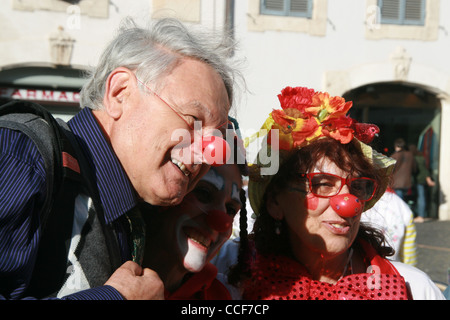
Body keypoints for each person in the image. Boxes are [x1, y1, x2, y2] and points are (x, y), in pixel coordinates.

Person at [0, 17, 243, 300]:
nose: (207, 153)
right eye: (192, 120)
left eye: (215, 138)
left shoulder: (129, 219)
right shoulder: (21, 153)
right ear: (120, 94)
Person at [219, 86, 444, 300]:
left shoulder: (413, 287)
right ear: (275, 201)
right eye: (323, 184)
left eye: (356, 187)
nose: (348, 203)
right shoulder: (229, 271)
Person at [141, 129, 248, 299]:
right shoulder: (103, 277)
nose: (220, 221)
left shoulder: (221, 297)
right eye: (204, 193)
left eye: (230, 210)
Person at [361, 188, 418, 266]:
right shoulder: (403, 208)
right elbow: (409, 254)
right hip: (393, 270)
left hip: (362, 266)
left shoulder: (362, 201)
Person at [409, 144, 436, 223]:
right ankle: (421, 215)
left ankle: (420, 216)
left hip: (417, 180)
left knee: (420, 197)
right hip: (421, 180)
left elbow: (423, 170)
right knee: (421, 197)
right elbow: (425, 169)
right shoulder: (421, 157)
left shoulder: (413, 158)